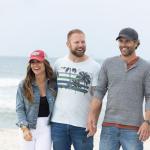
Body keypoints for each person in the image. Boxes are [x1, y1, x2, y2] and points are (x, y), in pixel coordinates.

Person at [87, 27, 150, 150]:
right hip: (109, 127)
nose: (123, 45)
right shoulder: (108, 63)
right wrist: (92, 117)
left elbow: (149, 97)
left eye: (127, 41)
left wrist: (147, 122)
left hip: (133, 129)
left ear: (136, 43)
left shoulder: (146, 67)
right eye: (121, 41)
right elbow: (99, 92)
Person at [51, 29, 100, 150]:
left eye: (83, 42)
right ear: (68, 44)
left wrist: (94, 122)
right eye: (76, 42)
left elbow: (97, 98)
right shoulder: (58, 64)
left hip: (83, 125)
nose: (81, 45)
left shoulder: (95, 67)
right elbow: (51, 91)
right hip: (58, 123)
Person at [16, 50, 57, 150]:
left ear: (45, 63)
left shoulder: (53, 84)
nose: (35, 65)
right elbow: (20, 109)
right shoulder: (24, 85)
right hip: (28, 128)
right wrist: (25, 129)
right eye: (32, 62)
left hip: (46, 129)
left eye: (38, 61)